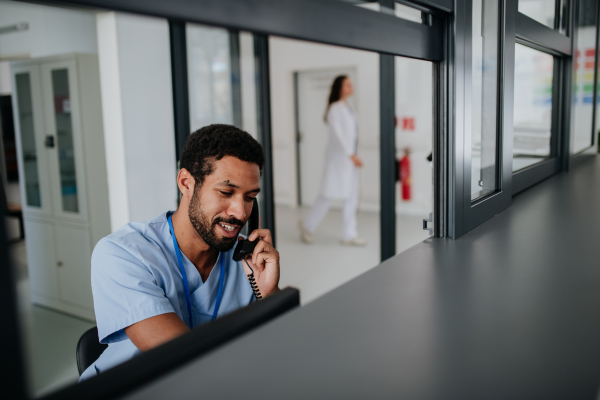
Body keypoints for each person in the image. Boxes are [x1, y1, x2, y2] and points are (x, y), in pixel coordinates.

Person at [79, 125, 280, 381]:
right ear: (186, 183)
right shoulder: (121, 254)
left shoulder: (248, 261)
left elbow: (283, 351)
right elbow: (184, 363)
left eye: (250, 197)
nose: (241, 213)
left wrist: (269, 294)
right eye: (226, 192)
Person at [299, 75, 366, 246]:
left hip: (348, 161)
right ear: (340, 88)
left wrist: (352, 155)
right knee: (327, 195)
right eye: (348, 85)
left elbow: (352, 135)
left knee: (351, 196)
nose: (352, 87)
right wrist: (351, 154)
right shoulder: (335, 108)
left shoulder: (348, 107)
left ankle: (349, 234)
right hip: (338, 160)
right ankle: (307, 226)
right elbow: (338, 135)